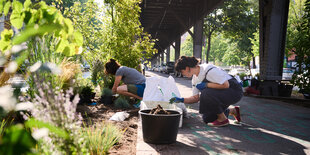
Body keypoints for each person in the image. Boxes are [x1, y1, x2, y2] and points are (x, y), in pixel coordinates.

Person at [171, 56, 243, 127]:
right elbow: (196, 98)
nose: (182, 74)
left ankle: (223, 119)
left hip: (234, 91)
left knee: (206, 93)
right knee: (208, 118)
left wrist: (206, 85)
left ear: (187, 68)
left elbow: (226, 85)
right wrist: (181, 100)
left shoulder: (209, 70)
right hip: (222, 93)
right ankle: (233, 111)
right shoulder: (195, 79)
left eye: (182, 72)